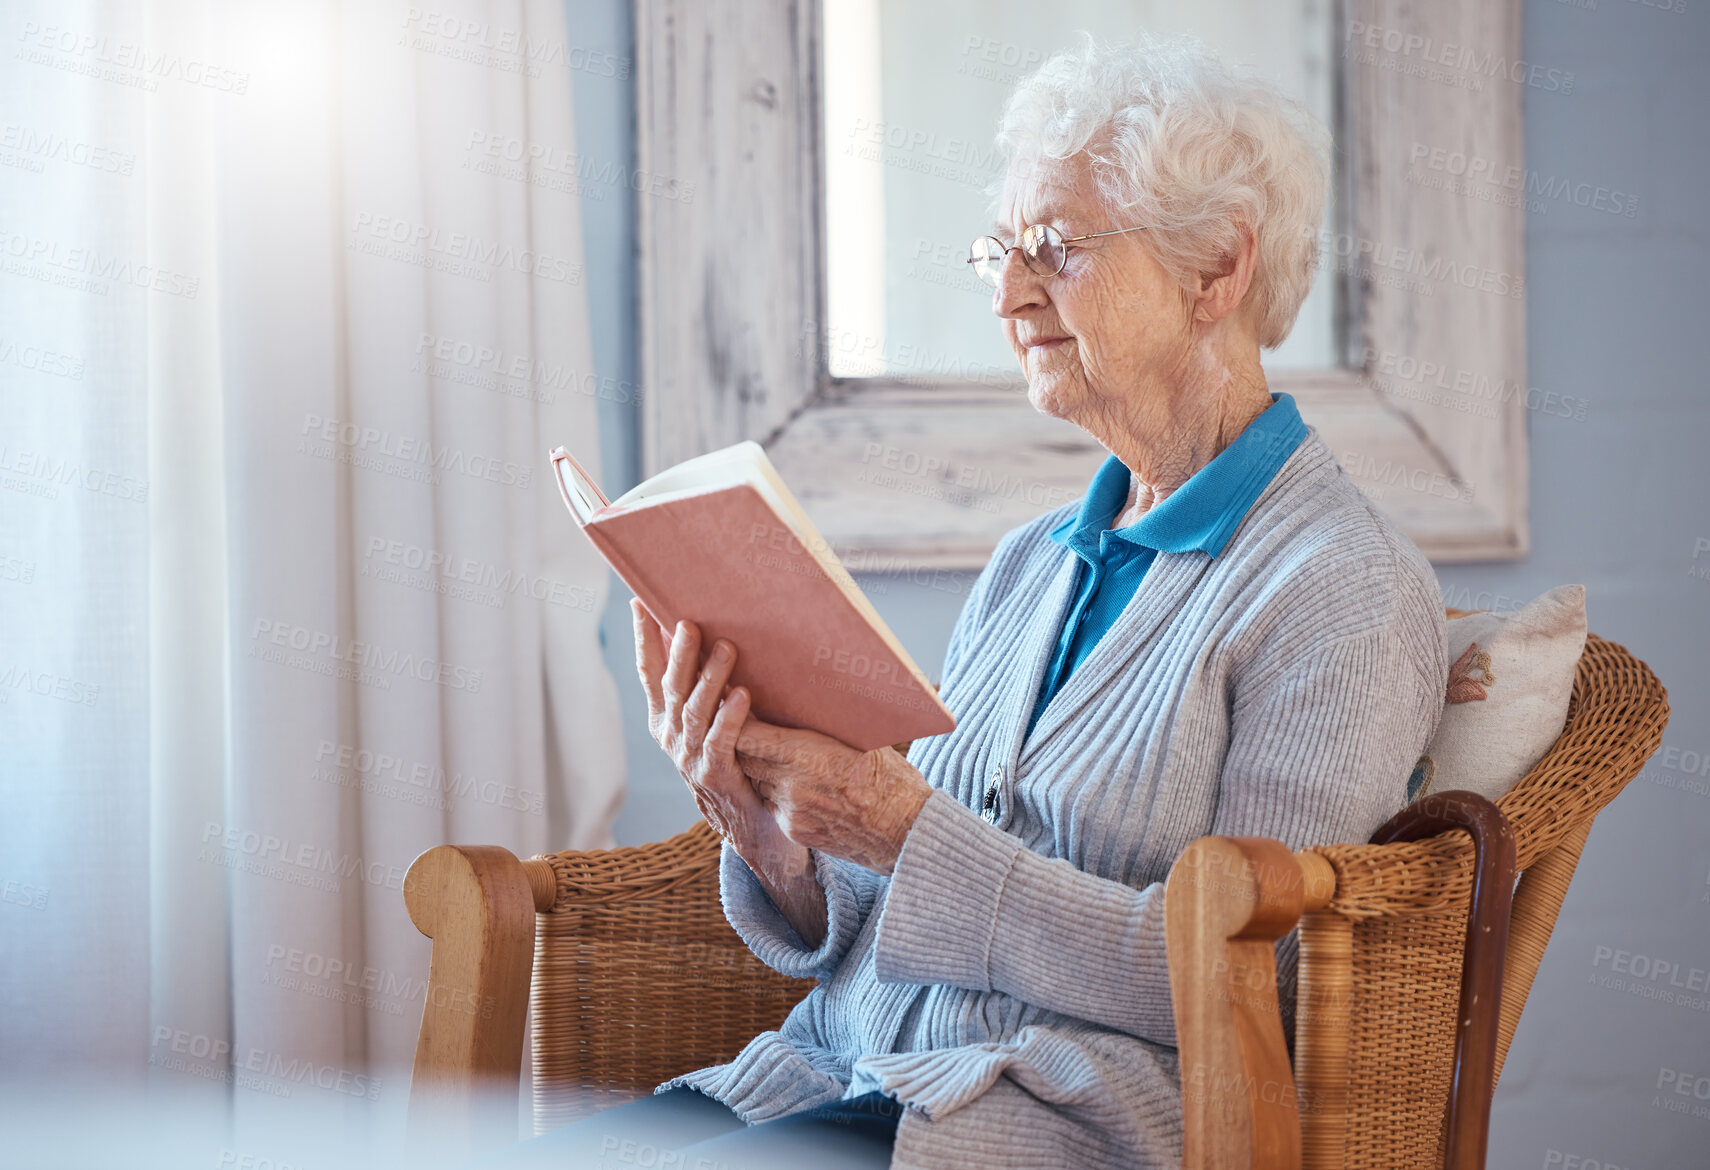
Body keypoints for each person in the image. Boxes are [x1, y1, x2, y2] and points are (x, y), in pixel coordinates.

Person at [505, 32, 1445, 1170]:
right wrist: (767, 834)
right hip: (831, 1074)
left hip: (1046, 1125)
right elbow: (877, 907)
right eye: (999, 250)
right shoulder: (1030, 563)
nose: (1007, 292)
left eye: (1053, 247)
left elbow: (1253, 981)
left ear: (1218, 269)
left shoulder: (1341, 585)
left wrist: (910, 829)